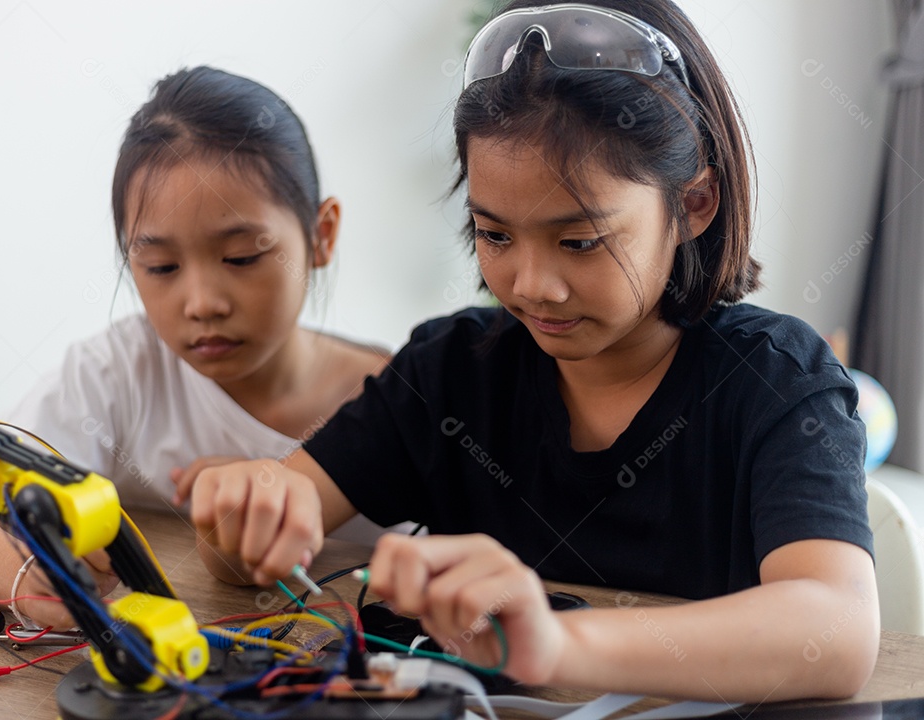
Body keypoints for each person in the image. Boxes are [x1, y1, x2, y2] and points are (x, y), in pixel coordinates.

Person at [189, 1, 880, 703]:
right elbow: (257, 546)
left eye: (580, 242)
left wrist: (555, 645)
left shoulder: (774, 381)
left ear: (694, 205)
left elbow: (838, 632)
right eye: (494, 234)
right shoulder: (451, 373)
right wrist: (249, 514)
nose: (531, 285)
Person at [0, 66, 391, 629]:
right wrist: (31, 583)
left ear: (320, 235)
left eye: (241, 257)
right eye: (160, 266)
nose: (202, 301)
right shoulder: (117, 372)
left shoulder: (404, 397)